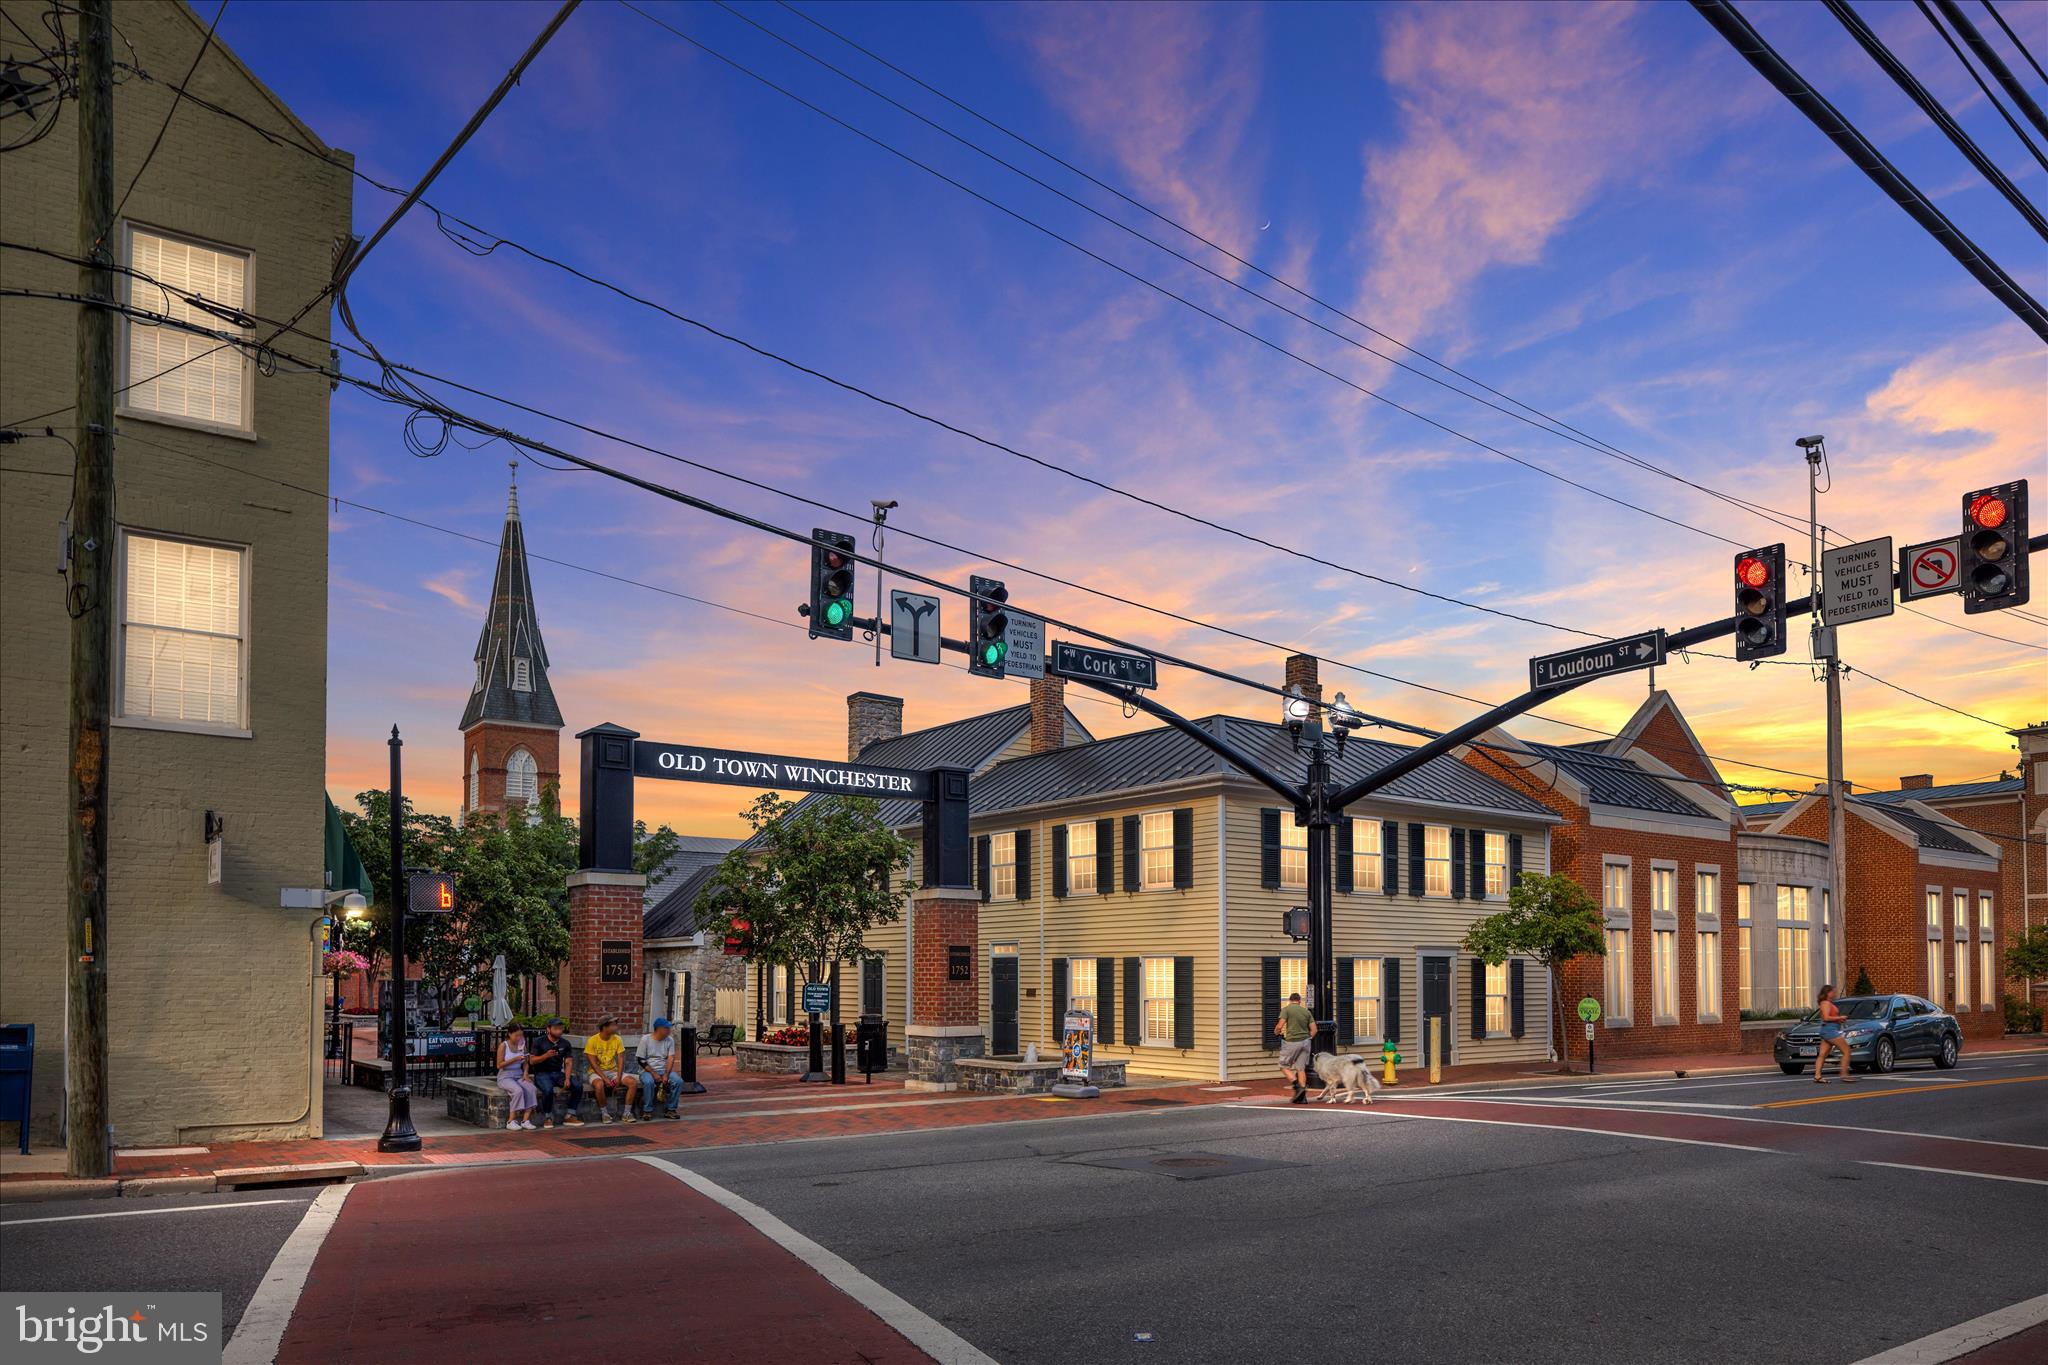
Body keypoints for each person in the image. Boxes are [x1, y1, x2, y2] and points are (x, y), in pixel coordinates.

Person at [529, 1017, 582, 1127]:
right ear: (548, 1029)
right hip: (542, 1073)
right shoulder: (539, 1042)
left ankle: (570, 1115)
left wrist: (567, 1078)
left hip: (558, 1073)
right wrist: (546, 1056)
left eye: (561, 1028)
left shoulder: (565, 1043)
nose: (559, 1031)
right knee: (548, 1090)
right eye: (556, 1028)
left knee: (577, 1085)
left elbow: (568, 1062)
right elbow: (532, 1061)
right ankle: (547, 1117)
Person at [585, 1016, 639, 1122]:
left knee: (632, 1082)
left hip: (613, 1071)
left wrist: (618, 1078)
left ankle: (627, 1113)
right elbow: (594, 1065)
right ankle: (605, 1114)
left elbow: (621, 1059)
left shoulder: (617, 1039)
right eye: (613, 1025)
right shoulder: (592, 1041)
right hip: (596, 1072)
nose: (616, 1027)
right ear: (605, 1027)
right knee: (599, 1085)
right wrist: (605, 1079)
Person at [1274, 991, 1317, 1104]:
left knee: (1283, 1065)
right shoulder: (1306, 1012)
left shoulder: (1286, 1010)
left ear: (1290, 1000)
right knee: (1301, 1069)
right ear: (1299, 1001)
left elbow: (1280, 1025)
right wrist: (1309, 1038)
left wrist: (1276, 1032)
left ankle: (1297, 1086)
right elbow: (1314, 1030)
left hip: (1292, 1042)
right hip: (1306, 1042)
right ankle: (1302, 1098)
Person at [496, 1025, 539, 1130]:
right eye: (516, 1035)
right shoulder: (503, 1046)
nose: (519, 1038)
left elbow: (525, 1062)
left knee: (531, 1088)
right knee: (518, 1091)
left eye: (521, 1035)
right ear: (510, 1034)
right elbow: (499, 1065)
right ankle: (511, 1120)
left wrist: (525, 1073)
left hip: (519, 1074)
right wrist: (514, 1059)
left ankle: (526, 1120)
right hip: (505, 1076)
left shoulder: (522, 1045)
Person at [636, 1018, 680, 1119]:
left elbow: (670, 1058)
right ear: (659, 1029)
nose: (669, 1030)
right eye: (666, 1028)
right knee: (649, 1082)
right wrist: (654, 1073)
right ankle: (647, 1110)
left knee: (678, 1081)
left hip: (663, 1069)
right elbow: (641, 1060)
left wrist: (666, 1074)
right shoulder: (645, 1039)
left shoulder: (670, 1040)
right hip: (647, 1070)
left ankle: (671, 1109)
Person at [1813, 984, 1855, 1084]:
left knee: (1822, 1055)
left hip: (1828, 1030)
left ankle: (1817, 1076)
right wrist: (1839, 1018)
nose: (1834, 993)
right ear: (1828, 993)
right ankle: (1844, 1074)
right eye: (1833, 991)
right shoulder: (1826, 1003)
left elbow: (1829, 1018)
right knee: (1847, 1051)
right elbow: (1826, 1018)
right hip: (1830, 1031)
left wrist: (1838, 1021)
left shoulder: (1827, 1003)